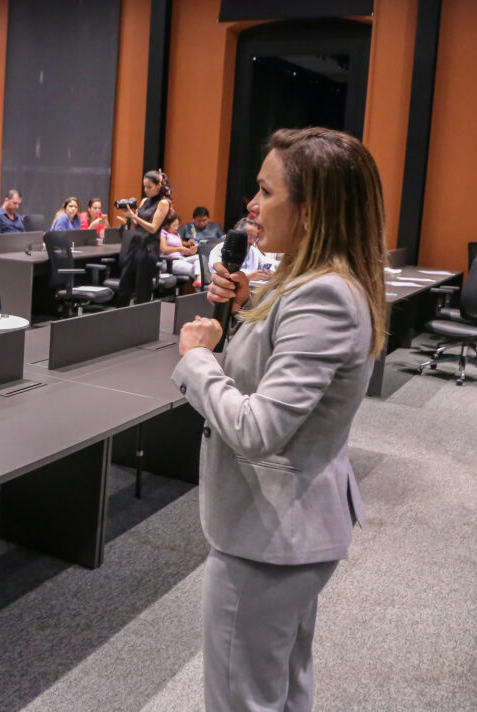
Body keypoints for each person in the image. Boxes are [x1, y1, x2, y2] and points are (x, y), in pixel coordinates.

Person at [171, 127, 387, 712]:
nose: (251, 204)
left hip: (269, 539)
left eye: (265, 191)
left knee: (244, 700)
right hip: (286, 531)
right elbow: (289, 367)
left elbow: (257, 429)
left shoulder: (324, 295)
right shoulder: (313, 281)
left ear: (310, 209)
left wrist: (196, 360)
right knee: (281, 689)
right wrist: (248, 307)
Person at [115, 169, 172, 305]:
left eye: (149, 187)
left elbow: (153, 228)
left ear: (158, 186)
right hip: (135, 244)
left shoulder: (163, 203)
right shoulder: (144, 201)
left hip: (148, 248)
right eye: (144, 186)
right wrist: (129, 216)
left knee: (142, 287)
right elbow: (138, 224)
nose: (145, 190)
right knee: (125, 283)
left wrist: (135, 216)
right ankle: (118, 317)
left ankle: (142, 320)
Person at [208, 217, 274, 281]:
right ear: (238, 234)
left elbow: (268, 264)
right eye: (249, 236)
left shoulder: (253, 250)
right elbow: (222, 275)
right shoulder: (219, 249)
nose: (252, 241)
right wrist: (247, 277)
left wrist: (269, 273)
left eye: (255, 237)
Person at [159, 212, 198, 279]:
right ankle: (200, 283)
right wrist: (180, 249)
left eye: (177, 225)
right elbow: (164, 249)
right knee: (194, 269)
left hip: (180, 258)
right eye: (174, 226)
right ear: (166, 224)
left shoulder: (176, 234)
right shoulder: (162, 233)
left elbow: (182, 250)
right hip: (169, 262)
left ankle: (200, 279)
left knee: (200, 258)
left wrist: (190, 251)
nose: (176, 228)